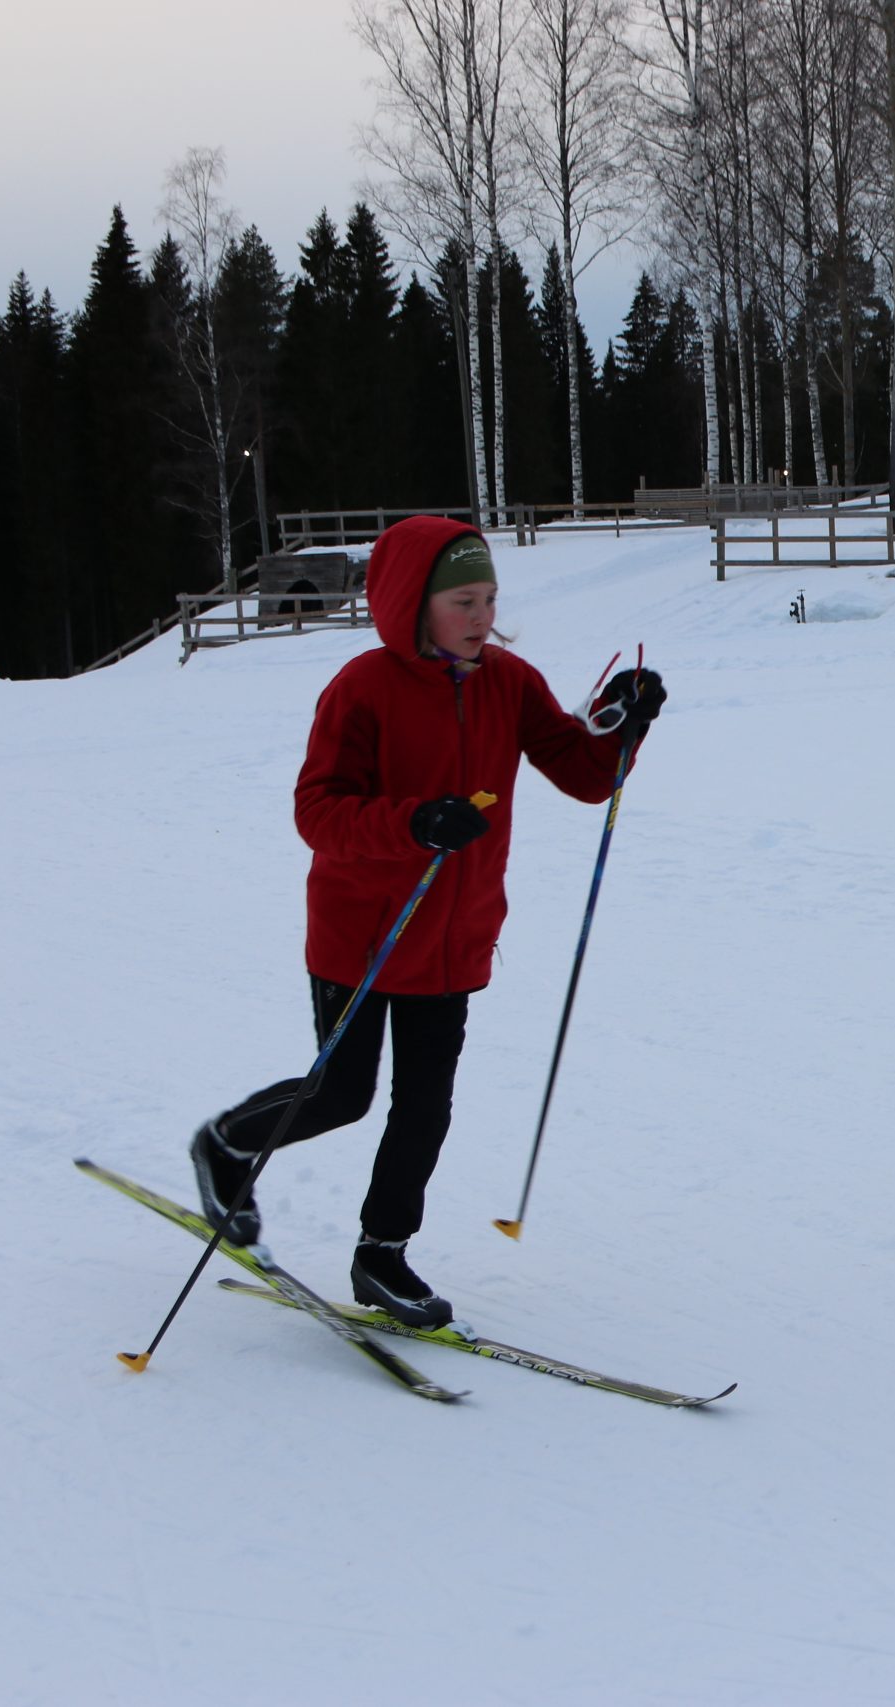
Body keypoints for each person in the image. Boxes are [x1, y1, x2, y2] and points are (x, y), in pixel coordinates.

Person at [189, 516, 666, 1327]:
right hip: (364, 932)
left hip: (453, 936)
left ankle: (383, 1253)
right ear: (414, 603)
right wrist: (413, 822)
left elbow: (584, 774)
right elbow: (318, 812)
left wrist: (626, 721)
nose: (481, 616)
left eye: (488, 599)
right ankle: (228, 1142)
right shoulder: (362, 688)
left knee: (426, 1104)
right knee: (342, 1092)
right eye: (462, 600)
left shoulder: (509, 683)